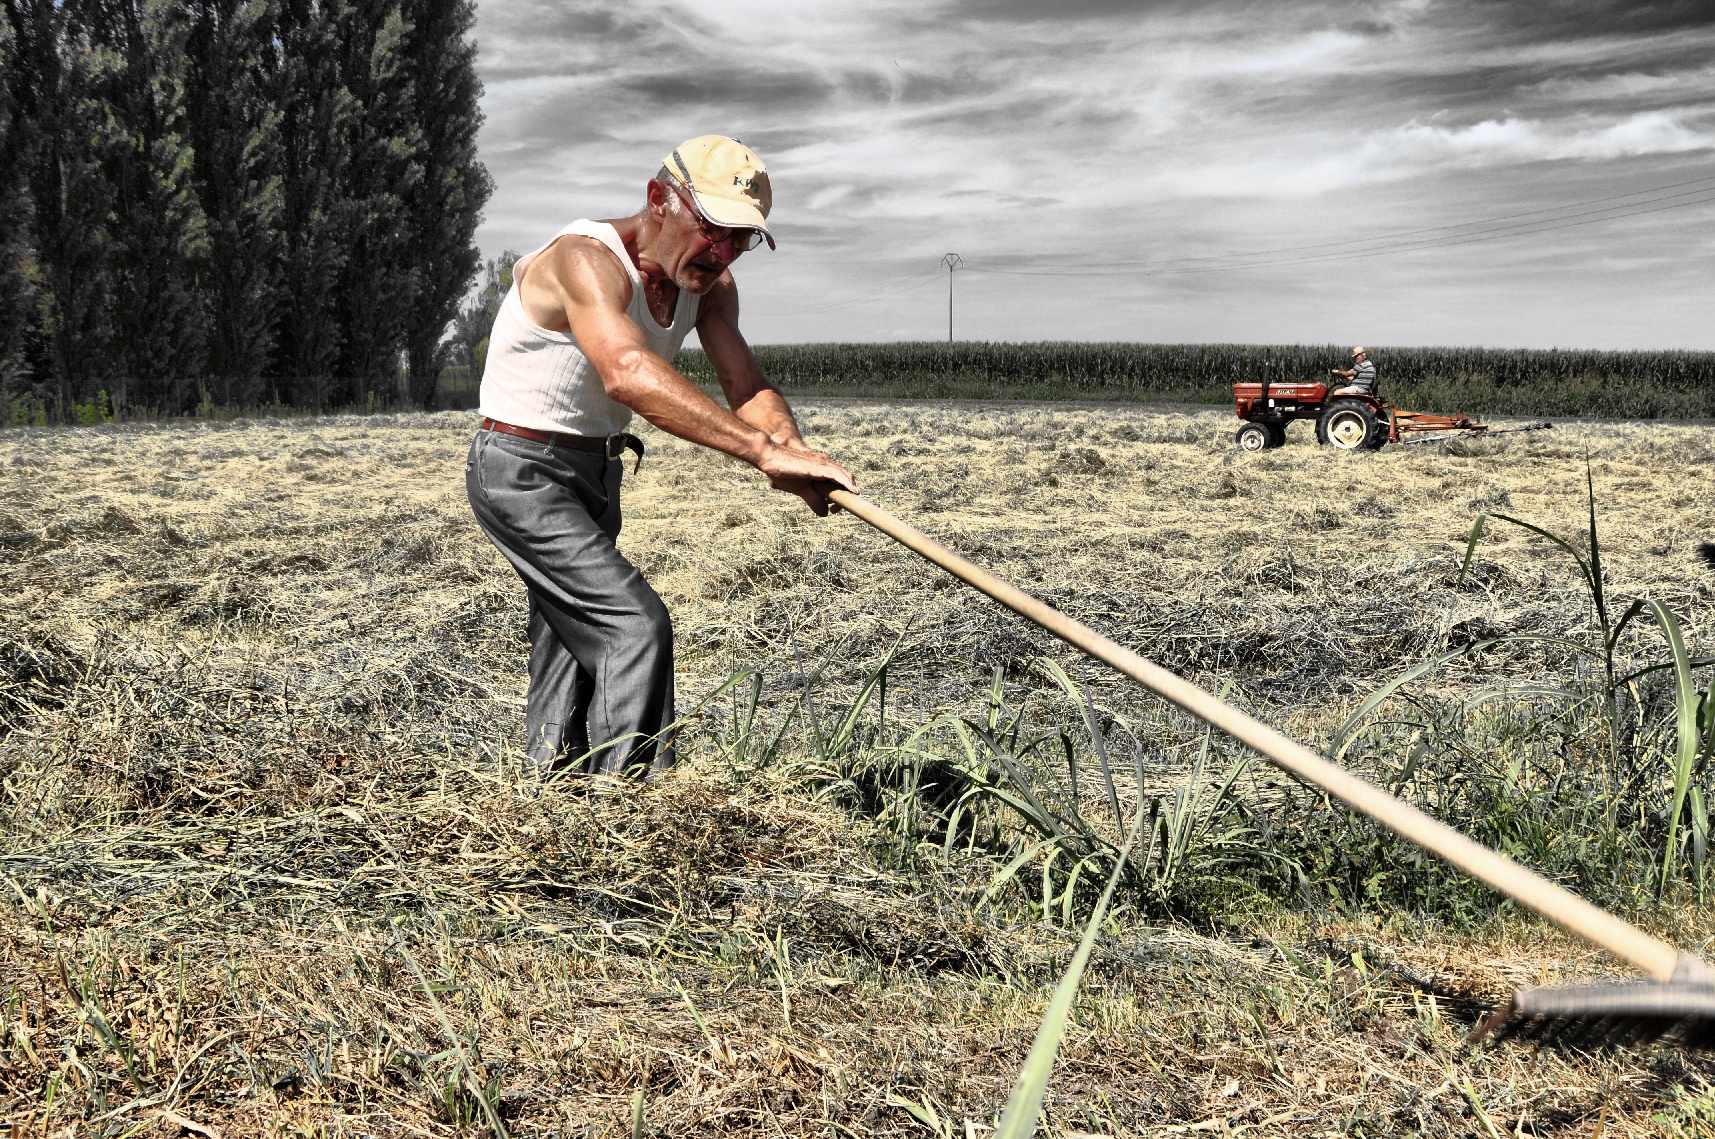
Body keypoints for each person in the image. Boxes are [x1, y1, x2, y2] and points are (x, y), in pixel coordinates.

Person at [465, 135, 856, 781]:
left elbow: (746, 386)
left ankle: (546, 793)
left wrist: (793, 450)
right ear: (658, 200)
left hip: (596, 472)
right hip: (520, 469)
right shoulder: (586, 258)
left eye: (743, 239)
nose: (725, 251)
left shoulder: (711, 286)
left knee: (570, 639)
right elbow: (625, 371)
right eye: (714, 229)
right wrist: (759, 453)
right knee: (632, 626)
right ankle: (629, 820)